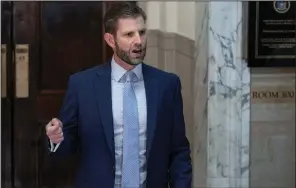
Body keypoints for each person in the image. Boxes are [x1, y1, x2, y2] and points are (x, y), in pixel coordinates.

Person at [45, 2, 192, 188]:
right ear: (110, 40)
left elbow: (179, 150)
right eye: (129, 34)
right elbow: (67, 148)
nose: (139, 41)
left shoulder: (167, 85)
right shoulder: (82, 86)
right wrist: (56, 139)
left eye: (142, 32)